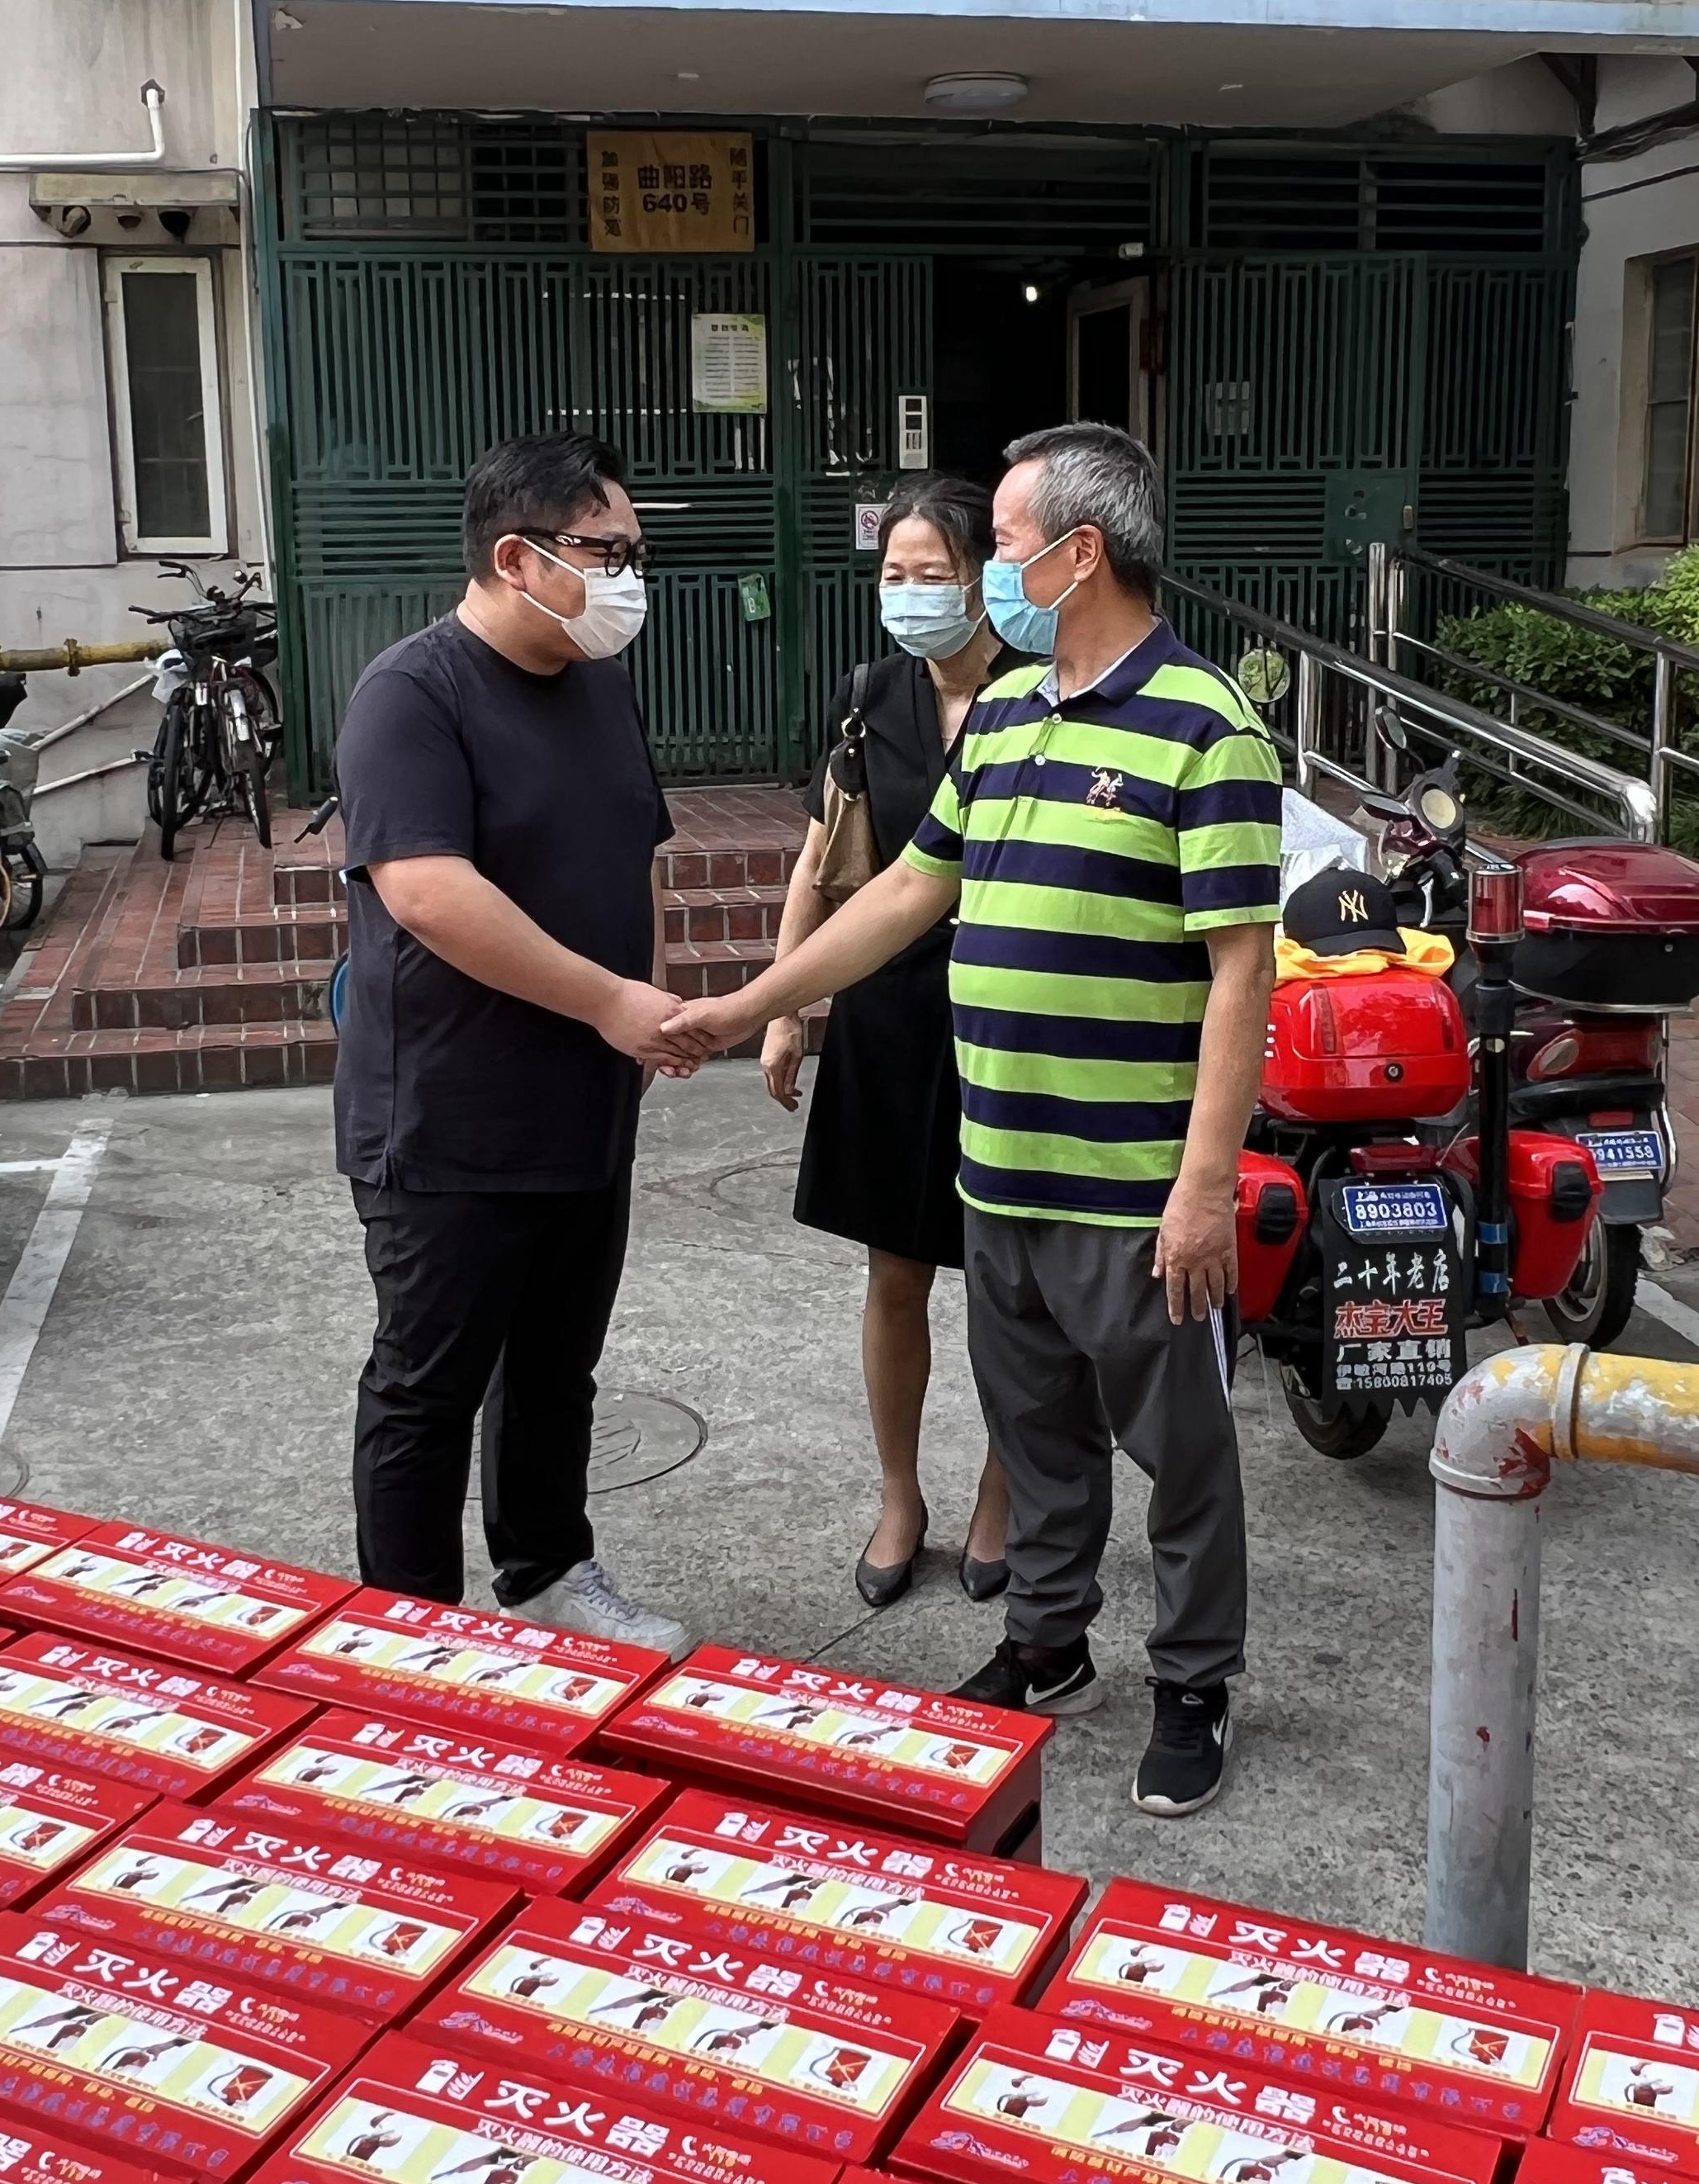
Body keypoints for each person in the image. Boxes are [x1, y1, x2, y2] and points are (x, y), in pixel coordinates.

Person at [668, 422, 1282, 1817]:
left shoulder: (1207, 726)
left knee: (1182, 1454)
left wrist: (1203, 1188)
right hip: (998, 1166)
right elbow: (904, 892)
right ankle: (1048, 1645)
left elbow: (1242, 973)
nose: (988, 570)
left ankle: (1193, 1682)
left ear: (1080, 554)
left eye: (1003, 544)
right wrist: (752, 1003)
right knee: (1039, 1432)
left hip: (1133, 1185)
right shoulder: (1003, 720)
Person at [331, 429, 703, 1654]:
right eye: (607, 552)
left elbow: (637, 852)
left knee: (556, 1362)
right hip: (450, 1111)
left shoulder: (596, 683)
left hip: (585, 1099)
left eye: (635, 553)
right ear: (515, 557)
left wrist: (647, 1000)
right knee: (427, 1384)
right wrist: (606, 1001)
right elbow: (427, 891)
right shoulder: (411, 695)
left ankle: (545, 1568)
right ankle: (411, 1632)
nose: (628, 580)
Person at [762, 477, 1016, 1610]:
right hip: (886, 1009)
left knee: (1010, 1279)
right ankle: (901, 1495)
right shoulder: (870, 696)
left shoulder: (1044, 694)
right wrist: (785, 1007)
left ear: (985, 581)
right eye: (894, 575)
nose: (911, 595)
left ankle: (1004, 1495)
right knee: (895, 1270)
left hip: (1011, 1015)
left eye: (934, 575)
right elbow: (822, 861)